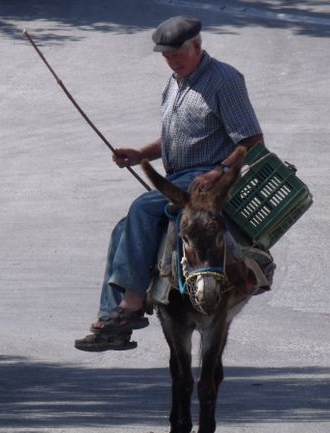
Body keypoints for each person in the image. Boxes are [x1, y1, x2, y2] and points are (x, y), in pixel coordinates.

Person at [75, 15, 264, 352]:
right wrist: (139, 154)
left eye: (177, 54)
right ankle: (113, 322)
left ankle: (131, 305)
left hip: (208, 180)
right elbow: (176, 139)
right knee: (122, 230)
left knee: (143, 207)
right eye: (166, 56)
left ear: (198, 46)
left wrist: (219, 170)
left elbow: (250, 140)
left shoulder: (224, 81)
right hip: (180, 177)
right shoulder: (175, 83)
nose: (172, 61)